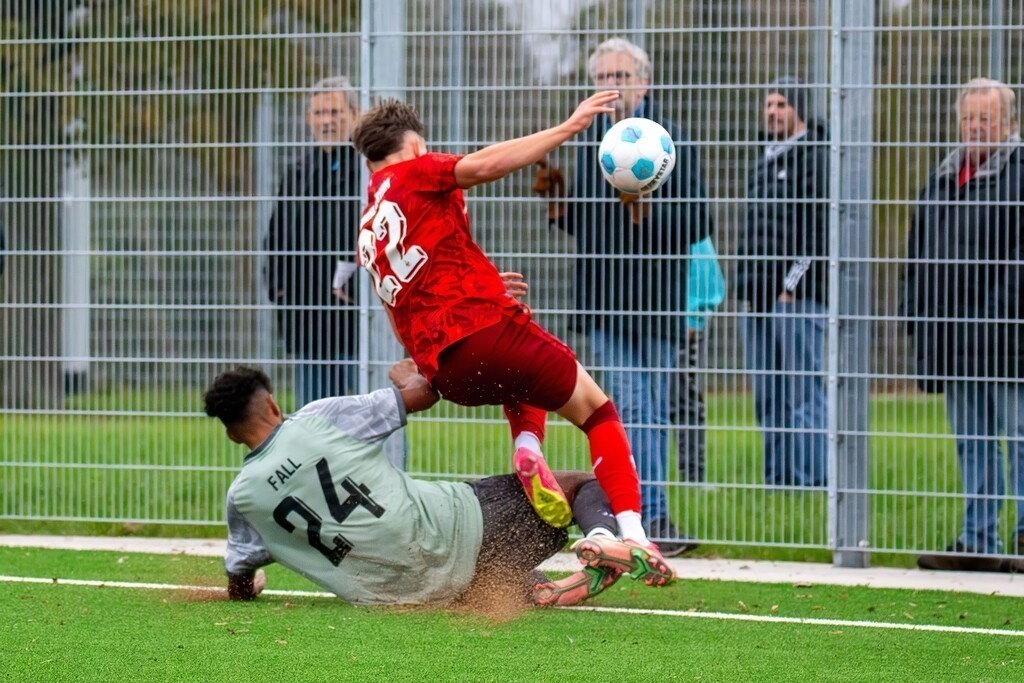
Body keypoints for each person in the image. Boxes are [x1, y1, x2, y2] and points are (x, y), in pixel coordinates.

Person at [349, 88, 676, 582]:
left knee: (519, 377)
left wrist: (483, 284)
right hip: (484, 332)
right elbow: (482, 166)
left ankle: (528, 444)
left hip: (448, 372)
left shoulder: (369, 223)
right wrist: (567, 129)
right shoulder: (414, 171)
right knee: (598, 411)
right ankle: (632, 534)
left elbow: (411, 293)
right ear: (414, 145)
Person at [203, 359, 673, 607]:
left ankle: (527, 589)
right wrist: (408, 371)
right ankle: (600, 537)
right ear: (272, 407)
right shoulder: (316, 419)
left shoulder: (243, 499)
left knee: (469, 579)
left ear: (228, 434)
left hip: (402, 595)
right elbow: (425, 393)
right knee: (582, 485)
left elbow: (239, 575)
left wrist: (249, 585)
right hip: (462, 529)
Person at [533, 37, 712, 555]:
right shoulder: (592, 141)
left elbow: (699, 221)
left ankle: (642, 512)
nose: (611, 86)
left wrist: (646, 210)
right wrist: (558, 208)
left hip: (656, 302)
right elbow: (587, 228)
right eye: (603, 78)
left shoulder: (670, 142)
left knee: (651, 407)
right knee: (632, 404)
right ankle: (648, 515)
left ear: (643, 82)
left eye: (620, 77)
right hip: (604, 302)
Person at [905, 78, 1024, 572]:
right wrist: (917, 320)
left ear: (1009, 124)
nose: (974, 128)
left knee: (1018, 437)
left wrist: (991, 315)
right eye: (967, 119)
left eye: (985, 119)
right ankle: (977, 540)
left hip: (1007, 338)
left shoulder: (1019, 174)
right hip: (953, 340)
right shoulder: (942, 177)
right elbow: (916, 258)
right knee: (971, 442)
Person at [734, 76, 829, 489]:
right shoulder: (762, 159)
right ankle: (779, 483)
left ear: (799, 111)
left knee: (803, 394)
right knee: (769, 397)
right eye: (768, 104)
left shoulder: (815, 157)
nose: (772, 112)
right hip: (756, 300)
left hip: (796, 299)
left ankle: (811, 482)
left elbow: (819, 229)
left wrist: (791, 286)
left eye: (781, 105)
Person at [264, 76, 362, 408]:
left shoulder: (366, 170)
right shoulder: (298, 172)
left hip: (354, 316)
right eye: (319, 113)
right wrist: (279, 287)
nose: (326, 121)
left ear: (354, 114)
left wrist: (361, 286)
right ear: (309, 119)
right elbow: (275, 235)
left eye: (334, 112)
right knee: (315, 413)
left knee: (373, 410)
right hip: (307, 315)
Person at [670, 236, 725, 486]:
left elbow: (706, 276)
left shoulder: (690, 225)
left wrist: (694, 317)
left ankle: (693, 476)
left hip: (685, 322)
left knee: (684, 400)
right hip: (666, 321)